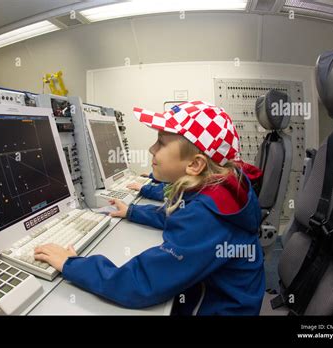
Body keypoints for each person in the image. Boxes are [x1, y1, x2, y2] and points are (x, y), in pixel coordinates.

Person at [34, 101, 265, 315]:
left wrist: (72, 265)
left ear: (195, 164)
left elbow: (141, 284)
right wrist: (132, 211)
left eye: (161, 143)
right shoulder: (217, 192)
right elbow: (175, 213)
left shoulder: (207, 217)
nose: (151, 149)